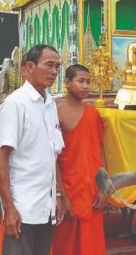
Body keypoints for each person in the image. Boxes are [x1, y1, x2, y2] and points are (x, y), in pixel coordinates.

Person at [0, 44, 65, 255]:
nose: (54, 71)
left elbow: (52, 155)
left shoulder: (50, 104)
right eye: (49, 65)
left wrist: (58, 195)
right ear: (29, 67)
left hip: (45, 206)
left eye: (57, 66)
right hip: (21, 208)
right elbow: (1, 156)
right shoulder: (15, 104)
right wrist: (9, 207)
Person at [51, 64, 106, 254]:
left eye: (88, 82)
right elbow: (52, 156)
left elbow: (99, 151)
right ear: (67, 83)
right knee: (65, 243)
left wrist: (103, 187)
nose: (85, 86)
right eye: (81, 81)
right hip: (68, 184)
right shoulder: (55, 111)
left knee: (91, 243)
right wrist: (60, 193)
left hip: (91, 187)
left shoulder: (93, 114)